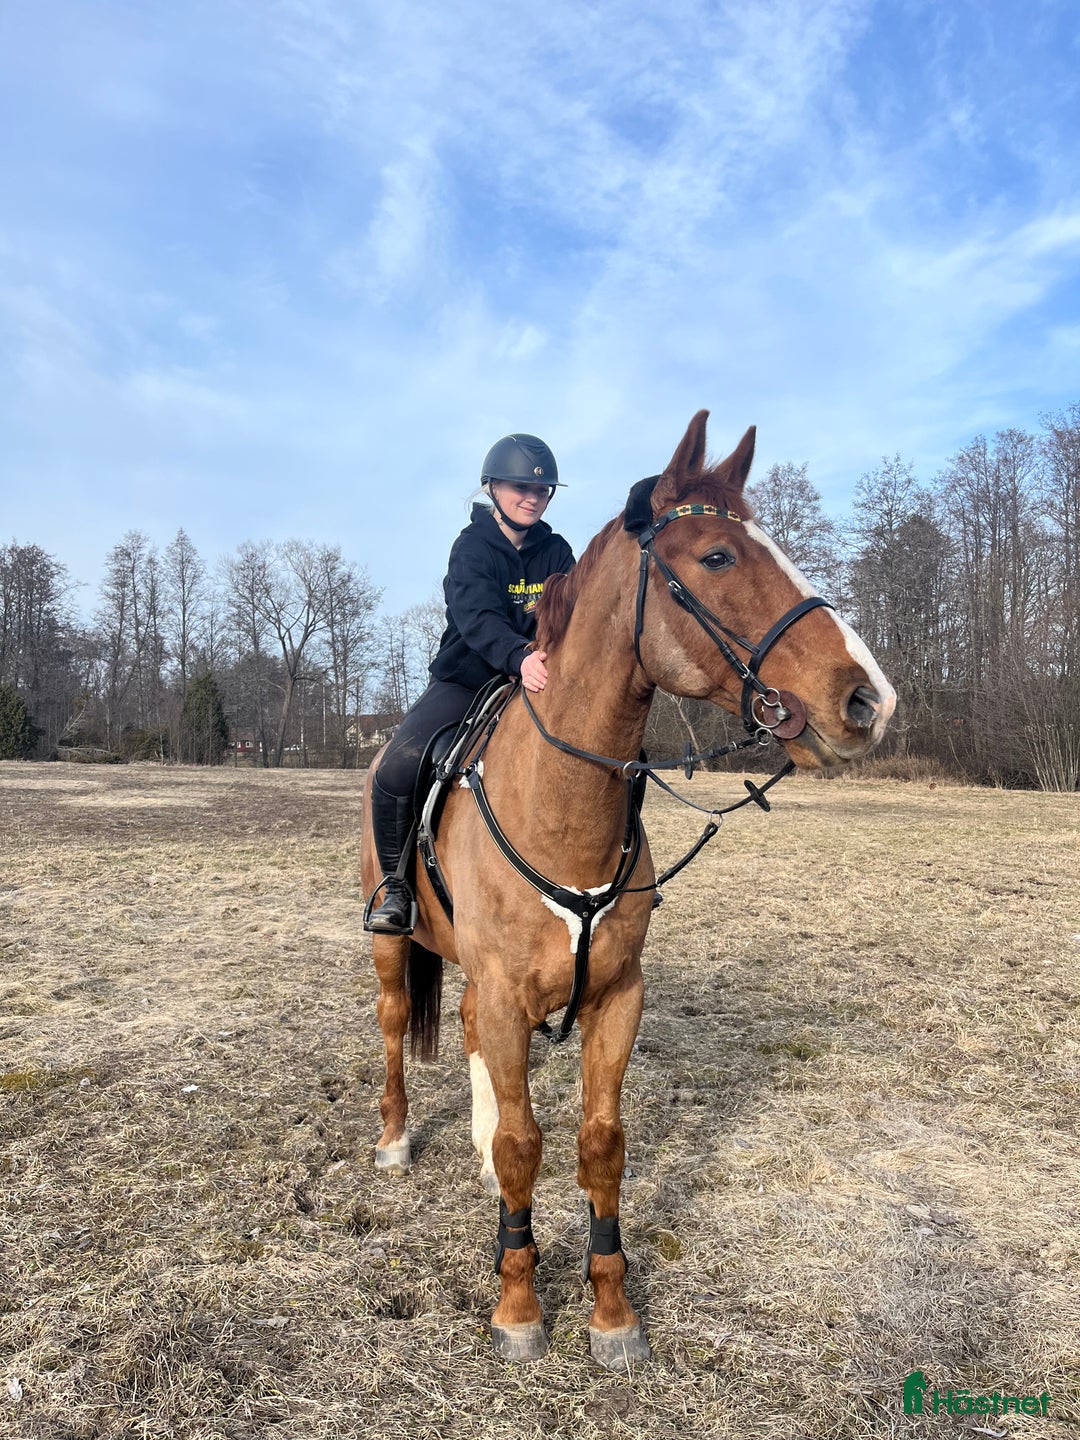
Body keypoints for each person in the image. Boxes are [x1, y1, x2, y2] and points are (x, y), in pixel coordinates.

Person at [365, 433, 576, 934]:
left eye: (542, 490)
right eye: (520, 486)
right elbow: (477, 618)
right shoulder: (472, 548)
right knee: (395, 767)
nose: (532, 497)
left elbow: (577, 615)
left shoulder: (559, 552)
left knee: (612, 757)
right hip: (468, 679)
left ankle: (618, 880)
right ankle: (395, 889)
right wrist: (518, 655)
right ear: (491, 488)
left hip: (541, 679)